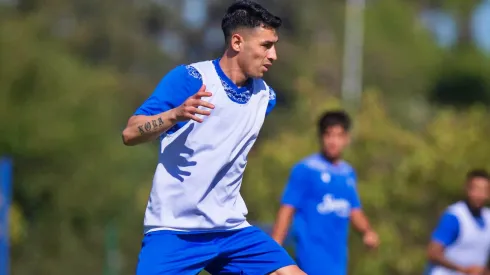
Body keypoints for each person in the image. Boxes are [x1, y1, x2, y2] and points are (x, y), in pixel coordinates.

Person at [122, 1, 306, 274]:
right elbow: (130, 132)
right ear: (237, 42)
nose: (274, 55)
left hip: (230, 229)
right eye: (266, 46)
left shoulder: (266, 97)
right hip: (176, 230)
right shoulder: (190, 79)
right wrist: (174, 115)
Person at [271, 110, 379, 275]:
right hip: (310, 261)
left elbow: (354, 210)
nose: (333, 141)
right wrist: (273, 253)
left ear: (346, 138)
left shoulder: (347, 173)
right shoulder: (306, 169)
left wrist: (367, 232)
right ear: (321, 137)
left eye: (338, 135)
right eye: (328, 135)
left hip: (338, 262)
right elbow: (286, 210)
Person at [425, 169, 490, 275]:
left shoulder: (488, 217)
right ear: (467, 190)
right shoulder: (455, 216)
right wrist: (463, 269)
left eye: (484, 190)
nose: (480, 195)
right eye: (476, 189)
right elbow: (433, 253)